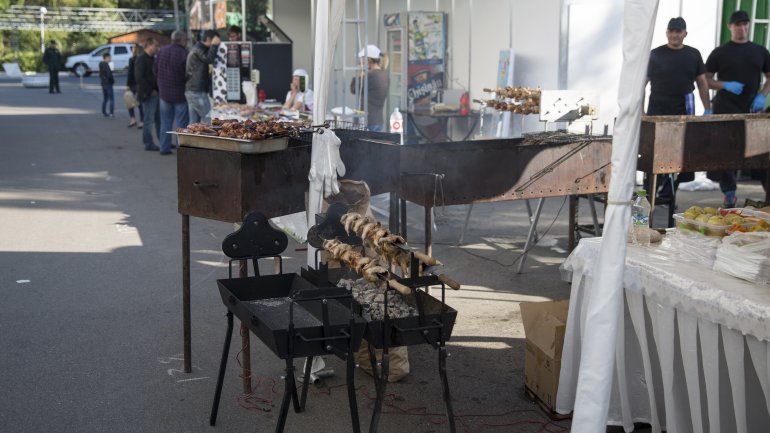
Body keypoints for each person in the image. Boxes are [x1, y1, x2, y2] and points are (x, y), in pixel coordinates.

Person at [706, 10, 770, 207]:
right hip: (725, 108)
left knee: (758, 151)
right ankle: (729, 192)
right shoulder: (720, 52)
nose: (741, 28)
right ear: (730, 27)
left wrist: (762, 95)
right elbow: (706, 80)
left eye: (744, 24)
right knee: (726, 152)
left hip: (752, 109)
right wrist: (724, 85)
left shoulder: (760, 51)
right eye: (737, 25)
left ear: (748, 26)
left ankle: (767, 194)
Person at [645, 17, 711, 201]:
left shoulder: (693, 54)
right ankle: (650, 192)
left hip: (683, 109)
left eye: (678, 31)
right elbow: (642, 83)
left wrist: (708, 109)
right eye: (672, 31)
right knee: (654, 153)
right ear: (667, 33)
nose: (675, 34)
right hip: (657, 108)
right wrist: (640, 111)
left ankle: (668, 194)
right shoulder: (655, 54)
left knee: (680, 153)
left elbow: (702, 83)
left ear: (685, 34)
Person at [155, 30, 190, 155]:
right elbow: (187, 74)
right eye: (186, 40)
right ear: (182, 40)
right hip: (179, 94)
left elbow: (156, 69)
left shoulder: (162, 51)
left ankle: (164, 148)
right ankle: (182, 149)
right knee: (181, 123)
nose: (186, 43)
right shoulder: (184, 53)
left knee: (165, 122)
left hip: (164, 93)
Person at [350, 44, 389, 131]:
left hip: (368, 122)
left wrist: (360, 70)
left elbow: (353, 89)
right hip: (378, 121)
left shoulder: (371, 75)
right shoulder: (384, 74)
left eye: (363, 59)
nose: (361, 62)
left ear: (369, 60)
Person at [186, 30, 221, 124]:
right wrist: (214, 45)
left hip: (193, 90)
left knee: (194, 123)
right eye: (216, 40)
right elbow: (209, 59)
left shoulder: (198, 48)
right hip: (197, 91)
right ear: (209, 39)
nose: (218, 43)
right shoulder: (199, 48)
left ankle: (191, 139)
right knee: (209, 120)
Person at [135, 37, 161, 151]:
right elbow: (139, 78)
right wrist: (151, 90)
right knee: (149, 120)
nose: (157, 48)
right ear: (149, 45)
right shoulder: (141, 59)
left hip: (155, 93)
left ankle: (164, 141)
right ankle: (148, 143)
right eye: (155, 46)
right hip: (148, 94)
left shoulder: (152, 58)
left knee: (159, 119)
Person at [126, 44, 144, 128]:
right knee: (140, 103)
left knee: (129, 101)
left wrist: (128, 85)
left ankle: (133, 119)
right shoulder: (143, 59)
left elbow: (130, 73)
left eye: (133, 48)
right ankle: (142, 121)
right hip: (140, 84)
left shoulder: (132, 59)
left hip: (133, 84)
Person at [99, 53, 115, 118]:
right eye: (109, 58)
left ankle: (104, 112)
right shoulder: (106, 65)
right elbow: (109, 75)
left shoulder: (101, 64)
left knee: (105, 98)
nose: (110, 59)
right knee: (111, 99)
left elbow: (101, 74)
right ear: (106, 58)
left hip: (103, 83)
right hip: (108, 84)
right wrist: (112, 81)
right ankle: (111, 112)